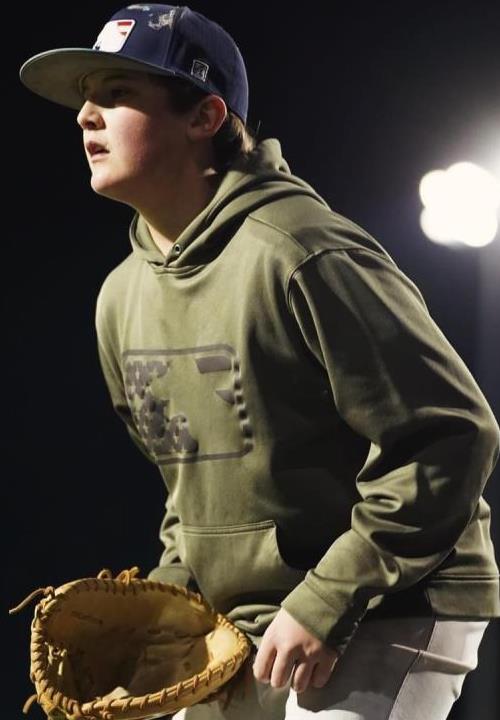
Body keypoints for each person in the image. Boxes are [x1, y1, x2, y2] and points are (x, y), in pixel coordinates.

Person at [20, 4, 499, 720]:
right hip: (245, 617)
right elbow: (190, 490)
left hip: (395, 597)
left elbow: (450, 435)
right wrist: (169, 601)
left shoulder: (301, 250)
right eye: (86, 97)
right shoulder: (120, 297)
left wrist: (330, 598)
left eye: (117, 93)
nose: (87, 115)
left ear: (205, 116)